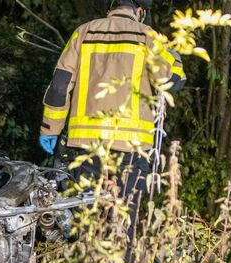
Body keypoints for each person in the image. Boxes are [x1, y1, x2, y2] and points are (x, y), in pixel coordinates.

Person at [38, 0, 185, 239]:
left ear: (111, 7)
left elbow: (59, 86)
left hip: (85, 147)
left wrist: (49, 129)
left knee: (84, 225)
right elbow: (171, 82)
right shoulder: (149, 36)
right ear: (139, 11)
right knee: (122, 225)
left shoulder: (83, 32)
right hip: (132, 150)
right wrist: (175, 58)